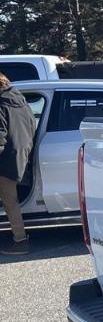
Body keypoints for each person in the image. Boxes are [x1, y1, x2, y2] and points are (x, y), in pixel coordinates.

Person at [0, 72, 35, 255]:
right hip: (20, 154)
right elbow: (32, 125)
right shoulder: (20, 101)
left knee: (9, 202)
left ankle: (20, 241)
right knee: (10, 200)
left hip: (5, 161)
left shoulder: (0, 104)